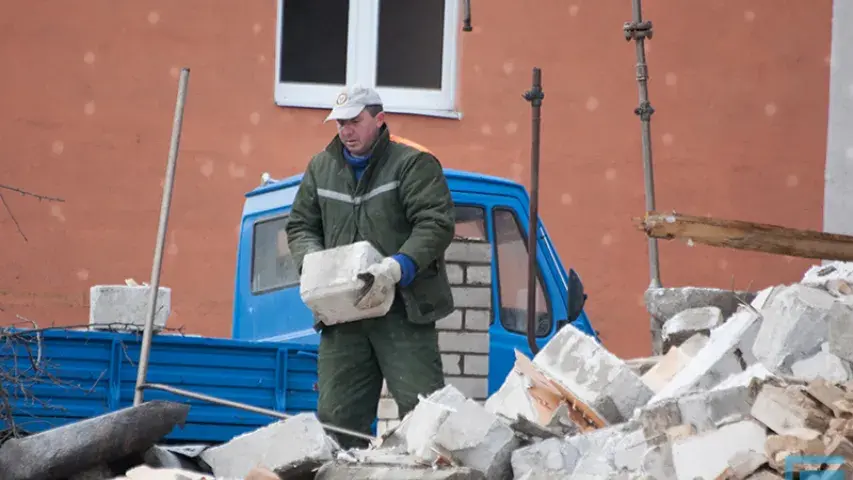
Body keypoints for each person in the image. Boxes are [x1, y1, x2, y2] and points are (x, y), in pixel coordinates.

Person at [285, 84, 456, 448]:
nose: (346, 130)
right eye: (339, 123)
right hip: (342, 315)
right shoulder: (321, 168)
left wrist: (397, 267)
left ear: (379, 120)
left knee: (422, 410)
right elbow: (300, 226)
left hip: (402, 310)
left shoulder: (412, 163)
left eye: (354, 121)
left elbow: (435, 223)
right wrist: (313, 264)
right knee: (338, 418)